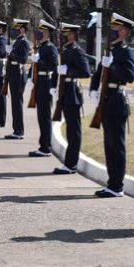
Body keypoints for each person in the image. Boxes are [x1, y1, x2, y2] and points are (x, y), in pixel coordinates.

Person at [89, 14, 134, 196]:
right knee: (108, 144)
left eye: (114, 28)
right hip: (106, 100)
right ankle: (112, 182)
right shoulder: (109, 50)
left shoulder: (126, 52)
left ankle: (117, 185)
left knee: (116, 145)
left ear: (122, 32)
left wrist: (114, 66)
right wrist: (93, 89)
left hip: (117, 100)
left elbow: (130, 76)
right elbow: (97, 73)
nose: (109, 32)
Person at [53, 23, 91, 174]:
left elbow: (85, 72)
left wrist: (68, 71)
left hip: (73, 93)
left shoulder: (77, 51)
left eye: (65, 33)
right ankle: (69, 163)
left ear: (72, 35)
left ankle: (71, 164)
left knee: (73, 131)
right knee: (70, 129)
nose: (62, 36)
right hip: (65, 91)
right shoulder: (65, 50)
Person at [28, 20, 59, 157]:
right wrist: (30, 77)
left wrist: (38, 60)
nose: (39, 33)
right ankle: (43, 145)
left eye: (41, 31)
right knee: (41, 115)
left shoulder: (50, 47)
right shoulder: (41, 47)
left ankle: (46, 147)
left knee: (44, 116)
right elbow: (34, 66)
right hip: (39, 82)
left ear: (47, 32)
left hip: (46, 82)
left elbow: (53, 66)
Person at [4, 19, 31, 140]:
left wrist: (12, 53)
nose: (15, 30)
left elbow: (23, 59)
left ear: (23, 29)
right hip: (14, 73)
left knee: (17, 103)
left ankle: (19, 131)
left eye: (17, 28)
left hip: (19, 74)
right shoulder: (17, 41)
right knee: (14, 103)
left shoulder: (24, 42)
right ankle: (16, 130)